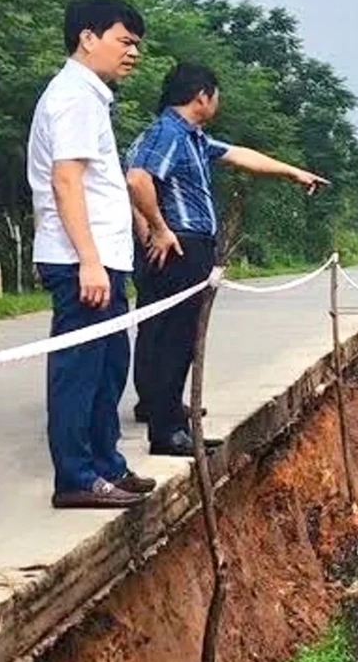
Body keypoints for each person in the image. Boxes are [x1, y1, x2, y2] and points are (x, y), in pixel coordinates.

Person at [126, 62, 329, 457]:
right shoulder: (169, 132)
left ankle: (169, 417)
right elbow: (137, 178)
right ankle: (166, 432)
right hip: (180, 245)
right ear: (201, 96)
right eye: (215, 95)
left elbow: (239, 155)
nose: (217, 102)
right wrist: (159, 227)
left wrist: (293, 173)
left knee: (177, 336)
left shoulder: (193, 137)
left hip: (191, 245)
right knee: (173, 338)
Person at [27, 0, 158, 509]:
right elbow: (66, 181)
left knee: (107, 369)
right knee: (80, 372)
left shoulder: (90, 97)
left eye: (136, 44)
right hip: (82, 261)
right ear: (88, 38)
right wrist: (88, 259)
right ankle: (77, 477)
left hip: (102, 259)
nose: (133, 53)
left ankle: (106, 465)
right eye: (125, 41)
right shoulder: (74, 97)